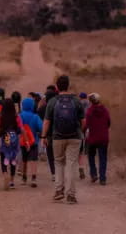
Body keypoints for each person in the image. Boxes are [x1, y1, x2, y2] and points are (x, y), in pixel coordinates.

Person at [41, 75, 85, 204]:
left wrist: (43, 136)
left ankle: (59, 191)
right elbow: (83, 121)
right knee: (71, 164)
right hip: (74, 137)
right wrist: (80, 132)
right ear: (68, 85)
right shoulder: (76, 101)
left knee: (59, 163)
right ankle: (71, 195)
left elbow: (47, 122)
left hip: (57, 137)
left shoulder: (52, 102)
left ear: (57, 87)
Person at [84, 93, 111, 185]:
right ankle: (102, 178)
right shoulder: (105, 110)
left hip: (92, 138)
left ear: (90, 101)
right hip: (103, 137)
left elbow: (87, 125)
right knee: (103, 158)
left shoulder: (89, 111)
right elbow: (108, 123)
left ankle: (93, 174)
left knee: (91, 156)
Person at [0, 98, 23, 190]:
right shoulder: (17, 117)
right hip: (14, 139)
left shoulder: (2, 117)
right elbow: (20, 129)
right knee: (13, 159)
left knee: (3, 156)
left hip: (5, 138)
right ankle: (12, 181)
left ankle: (5, 173)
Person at [19, 97, 43, 188]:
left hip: (23, 141)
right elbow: (40, 127)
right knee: (33, 160)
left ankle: (24, 177)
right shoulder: (35, 116)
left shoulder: (20, 116)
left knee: (24, 159)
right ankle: (33, 178)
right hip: (33, 141)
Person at [37, 89, 58, 181]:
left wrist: (42, 136)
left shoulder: (42, 108)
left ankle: (54, 173)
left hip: (48, 134)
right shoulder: (58, 106)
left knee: (50, 154)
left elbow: (40, 120)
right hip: (59, 133)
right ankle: (60, 172)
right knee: (59, 155)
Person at [78, 93, 91, 180]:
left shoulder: (78, 105)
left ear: (80, 97)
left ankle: (80, 167)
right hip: (89, 130)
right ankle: (82, 167)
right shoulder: (90, 105)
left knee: (78, 152)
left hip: (79, 131)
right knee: (84, 152)